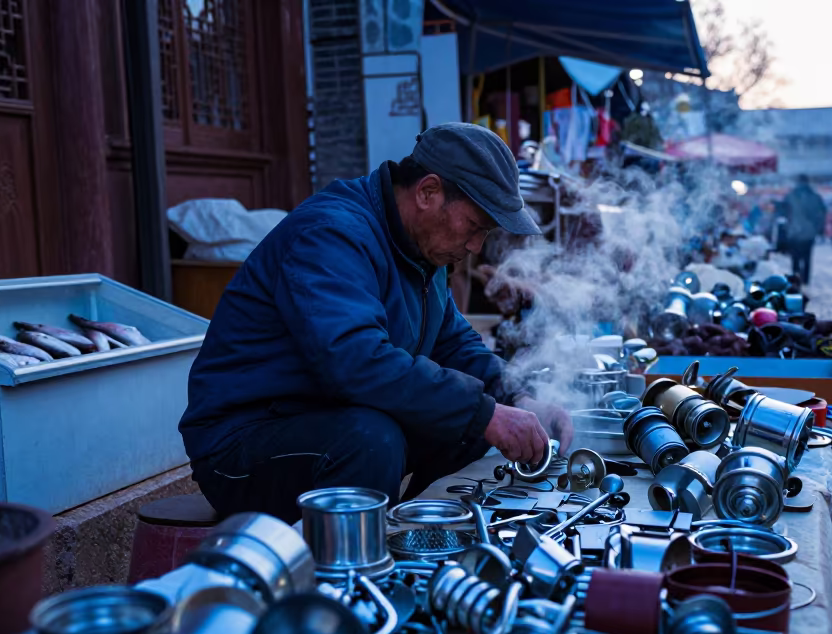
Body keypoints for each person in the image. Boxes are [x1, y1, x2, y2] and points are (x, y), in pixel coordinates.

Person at [179, 123, 574, 522]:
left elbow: (453, 344)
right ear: (428, 192)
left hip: (327, 417)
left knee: (468, 422)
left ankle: (423, 534)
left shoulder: (424, 248)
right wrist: (485, 413)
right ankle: (354, 573)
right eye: (474, 226)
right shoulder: (331, 234)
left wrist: (518, 398)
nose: (475, 246)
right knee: (374, 439)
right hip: (241, 444)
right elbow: (356, 362)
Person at [782, 175, 827, 285]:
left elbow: (784, 212)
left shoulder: (791, 196)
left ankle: (795, 279)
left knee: (795, 258)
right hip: (809, 232)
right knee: (807, 258)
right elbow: (821, 214)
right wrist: (818, 228)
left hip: (794, 231)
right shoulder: (815, 197)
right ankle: (806, 280)